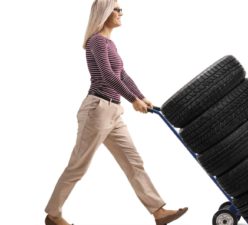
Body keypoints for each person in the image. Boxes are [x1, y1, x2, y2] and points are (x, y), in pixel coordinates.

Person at [44, 0, 188, 225]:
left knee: (133, 162)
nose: (121, 12)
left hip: (113, 112)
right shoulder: (97, 42)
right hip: (97, 110)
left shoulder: (109, 44)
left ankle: (158, 212)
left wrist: (141, 97)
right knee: (78, 166)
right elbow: (108, 76)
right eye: (117, 9)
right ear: (105, 13)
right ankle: (53, 215)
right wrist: (133, 100)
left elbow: (122, 76)